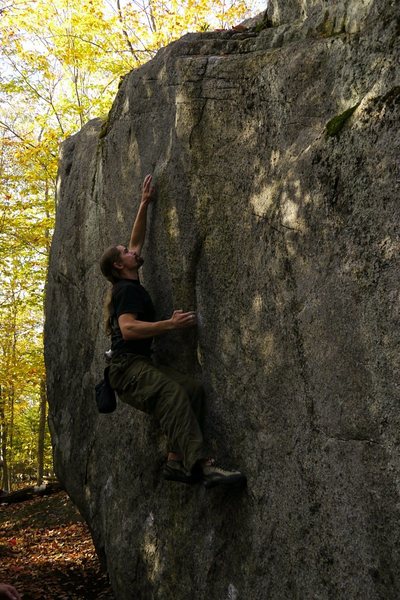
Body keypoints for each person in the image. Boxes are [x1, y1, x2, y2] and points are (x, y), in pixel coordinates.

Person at [99, 174, 246, 489]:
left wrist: (144, 204)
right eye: (125, 252)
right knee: (172, 394)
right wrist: (171, 324)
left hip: (139, 367)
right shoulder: (126, 291)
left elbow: (137, 241)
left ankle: (175, 460)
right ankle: (200, 465)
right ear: (119, 266)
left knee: (192, 389)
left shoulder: (128, 280)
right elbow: (128, 329)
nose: (132, 251)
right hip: (126, 371)